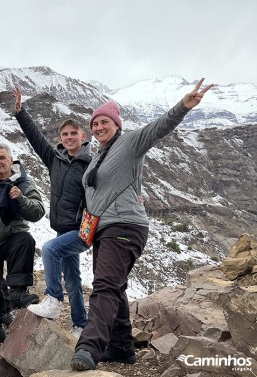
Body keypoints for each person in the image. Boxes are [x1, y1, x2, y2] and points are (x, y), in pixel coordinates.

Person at [70, 78, 213, 371]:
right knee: (115, 287)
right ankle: (122, 348)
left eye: (104, 122)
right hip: (104, 229)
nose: (98, 127)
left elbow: (158, 128)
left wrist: (183, 106)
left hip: (124, 227)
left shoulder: (130, 141)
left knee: (105, 286)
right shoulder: (99, 154)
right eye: (95, 123)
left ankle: (89, 346)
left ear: (116, 124)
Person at [13, 87, 91, 339]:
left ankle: (54, 299)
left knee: (49, 249)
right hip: (61, 227)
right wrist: (20, 113)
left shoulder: (91, 164)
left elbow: (109, 185)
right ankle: (80, 325)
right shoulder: (55, 158)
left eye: (73, 134)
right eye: (64, 134)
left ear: (83, 136)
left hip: (81, 230)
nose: (68, 138)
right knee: (72, 278)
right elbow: (35, 138)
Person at [0, 144, 45, 347]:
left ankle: (18, 292)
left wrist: (21, 199)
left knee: (25, 240)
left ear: (11, 160)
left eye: (2, 158)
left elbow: (38, 211)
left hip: (7, 239)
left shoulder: (21, 183)